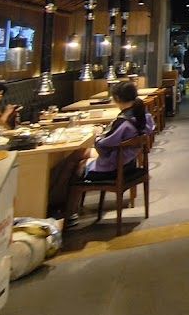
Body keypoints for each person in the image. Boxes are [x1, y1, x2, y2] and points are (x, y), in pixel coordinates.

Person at [55, 80, 154, 220]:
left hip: (114, 167)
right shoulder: (142, 115)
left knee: (76, 167)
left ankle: (66, 211)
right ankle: (63, 205)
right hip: (129, 163)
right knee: (78, 154)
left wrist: (97, 134)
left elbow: (103, 147)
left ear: (117, 99)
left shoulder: (123, 121)